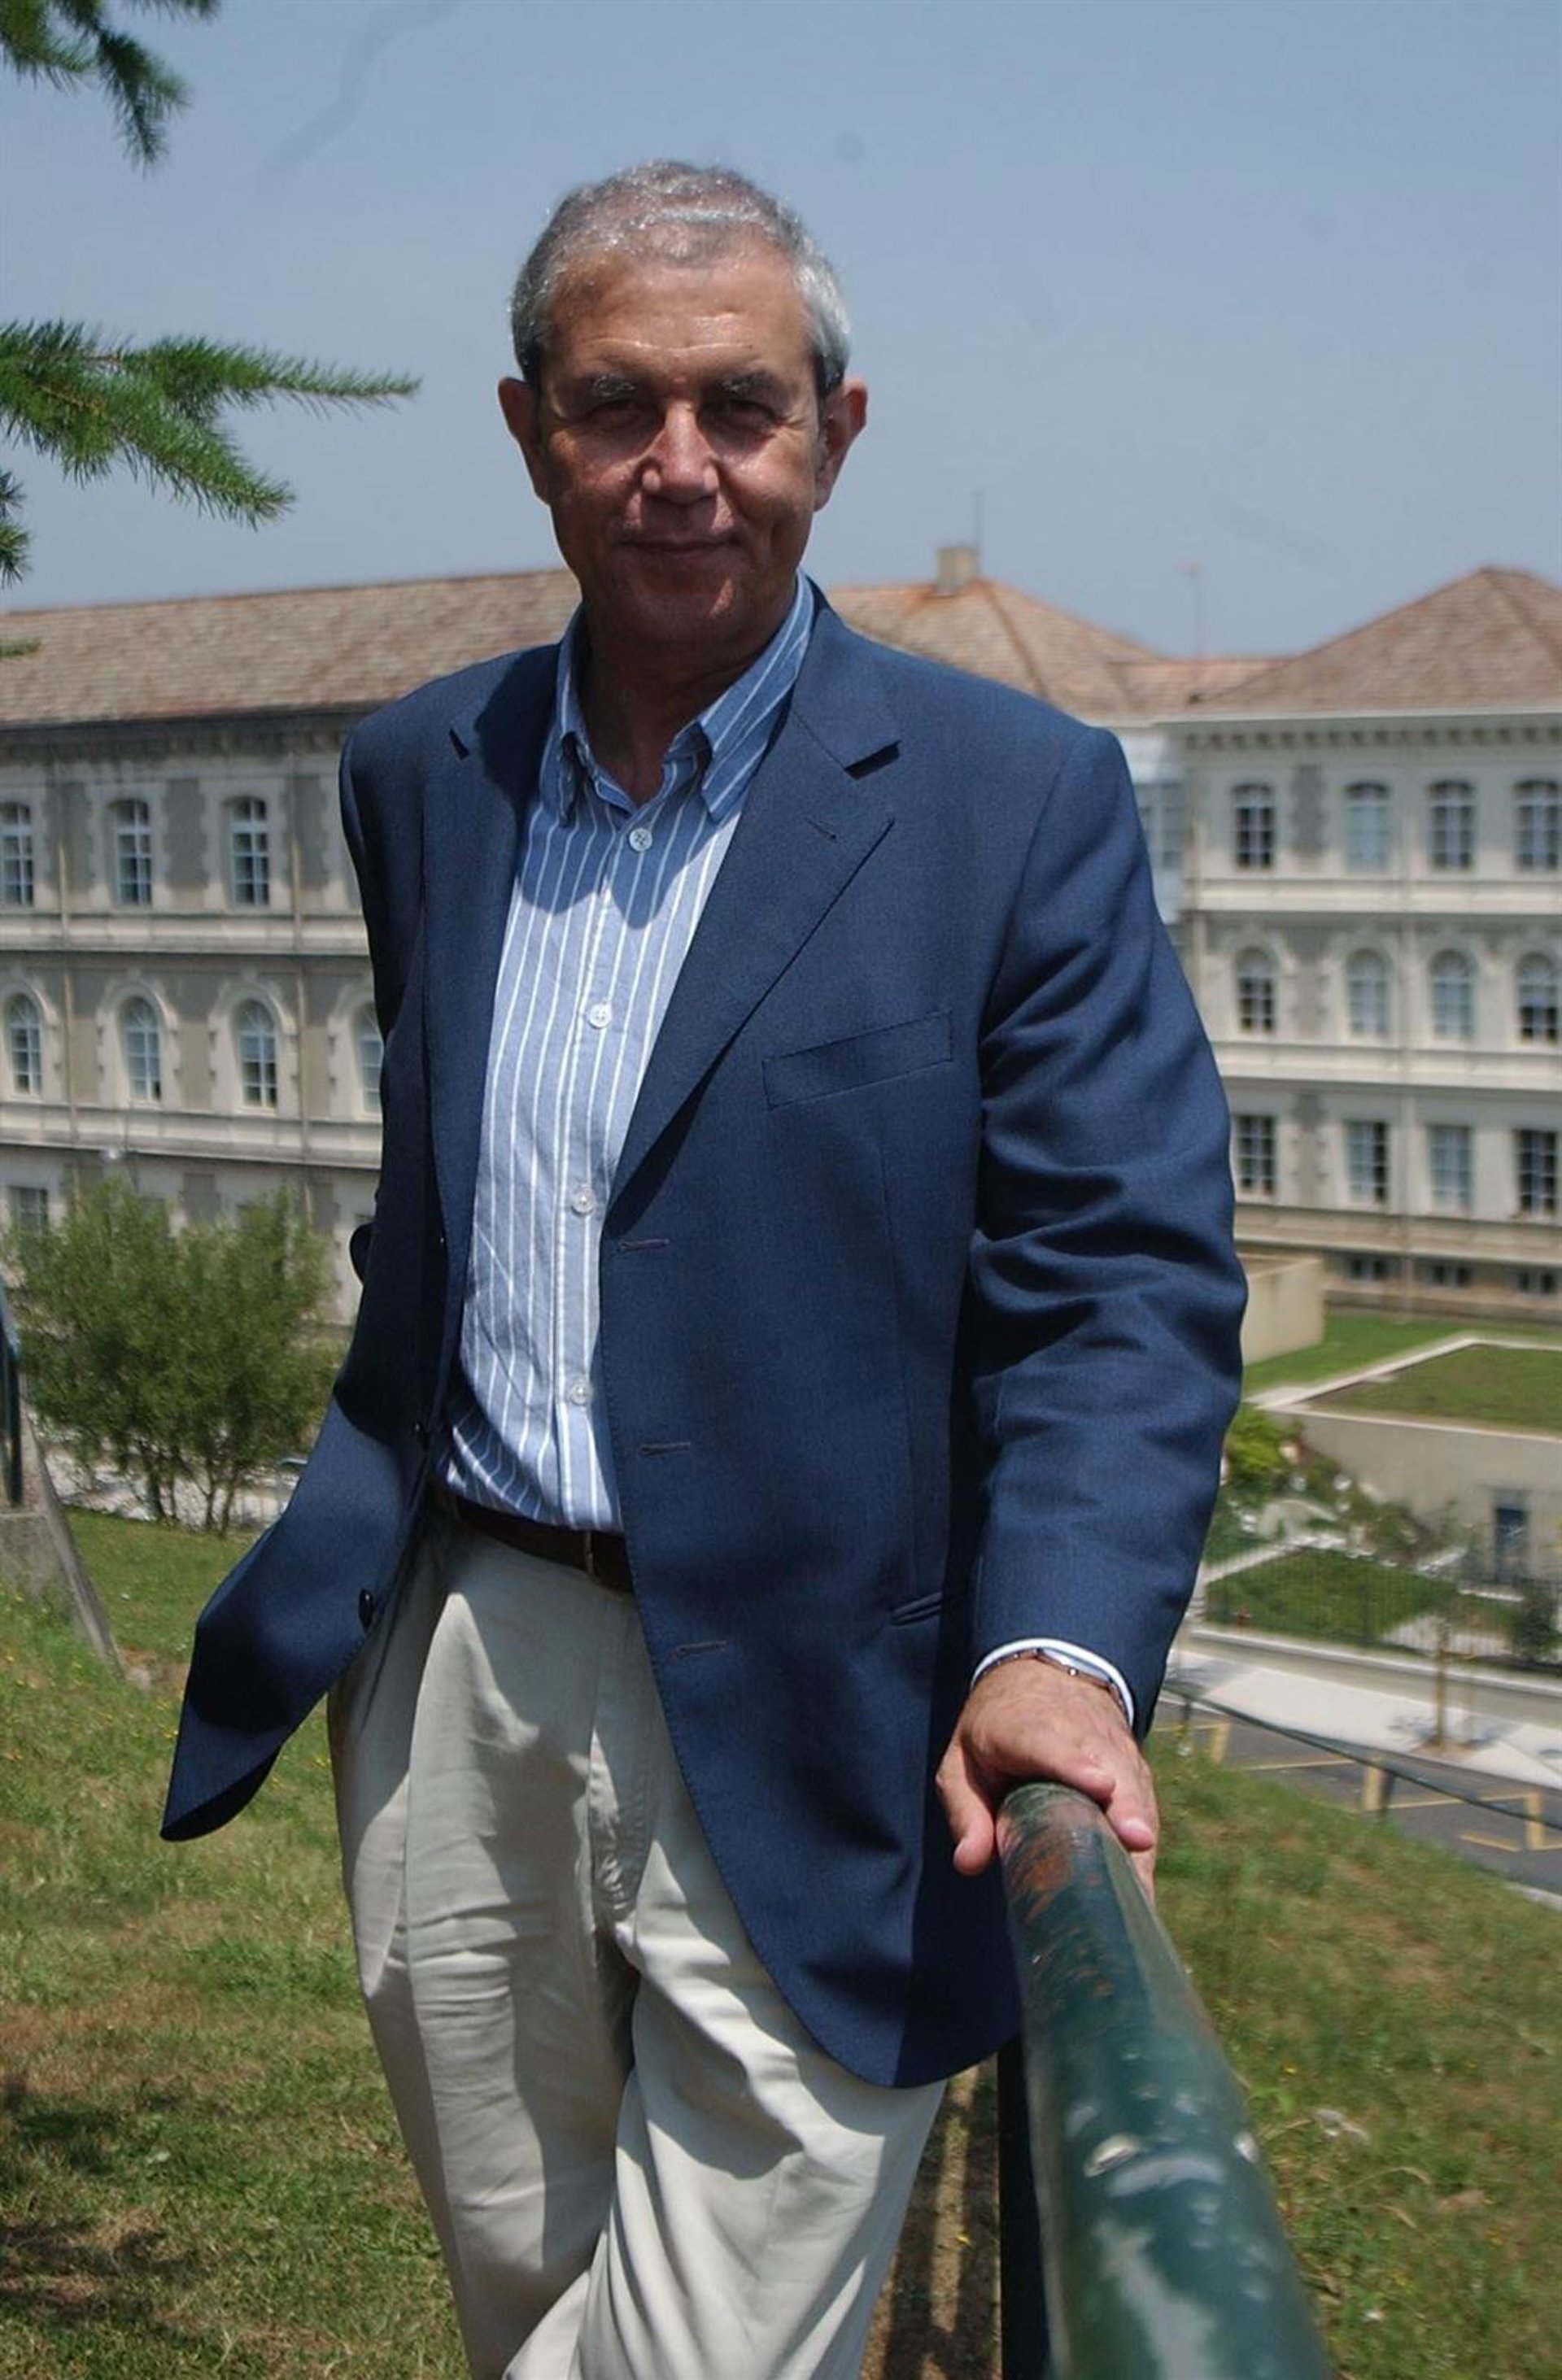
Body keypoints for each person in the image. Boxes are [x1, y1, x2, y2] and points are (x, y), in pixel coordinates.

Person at [164, 162, 1245, 2379]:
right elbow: (458, 1193)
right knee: (525, 2295)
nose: (681, 465)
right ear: (529, 432)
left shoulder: (1009, 800)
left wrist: (1059, 1645)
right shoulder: (421, 770)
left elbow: (1118, 1280)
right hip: (466, 1661)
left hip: (835, 1702)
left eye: (741, 406)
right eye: (616, 405)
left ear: (833, 432)